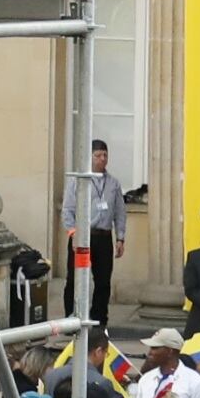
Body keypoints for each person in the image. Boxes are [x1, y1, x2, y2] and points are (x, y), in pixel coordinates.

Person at [66, 138, 131, 328]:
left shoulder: (113, 183)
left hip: (103, 237)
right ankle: (72, 318)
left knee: (103, 281)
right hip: (83, 237)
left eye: (105, 155)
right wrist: (73, 233)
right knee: (75, 279)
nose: (102, 159)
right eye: (98, 155)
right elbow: (68, 209)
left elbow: (120, 212)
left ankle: (99, 320)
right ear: (90, 157)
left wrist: (120, 237)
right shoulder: (78, 180)